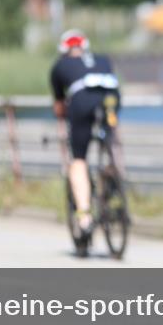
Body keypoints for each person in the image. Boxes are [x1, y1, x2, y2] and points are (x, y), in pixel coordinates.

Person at [49, 29, 121, 238]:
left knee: (78, 159)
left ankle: (84, 216)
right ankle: (111, 178)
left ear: (64, 50)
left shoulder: (59, 66)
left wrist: (65, 118)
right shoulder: (102, 59)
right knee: (108, 137)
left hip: (81, 102)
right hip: (111, 98)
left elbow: (59, 106)